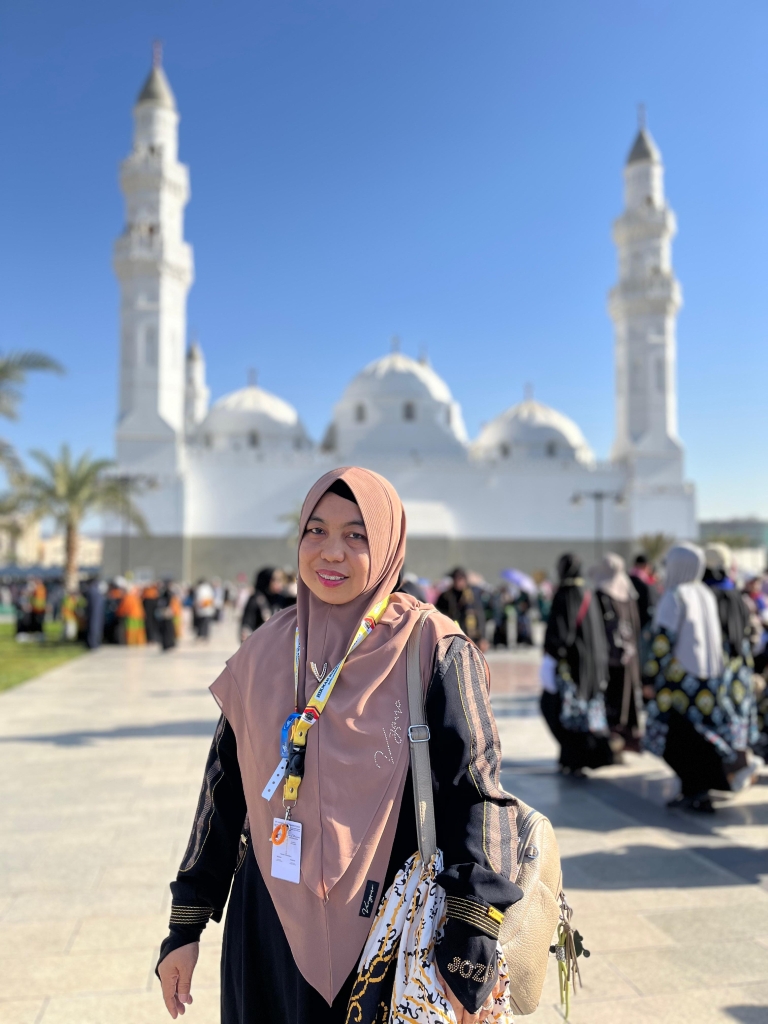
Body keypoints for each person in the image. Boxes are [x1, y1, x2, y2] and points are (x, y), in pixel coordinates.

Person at [156, 468, 523, 1024]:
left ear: (389, 543)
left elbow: (477, 790)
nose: (332, 552)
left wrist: (473, 933)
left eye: (357, 535)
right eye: (316, 531)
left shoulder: (432, 646)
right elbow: (223, 792)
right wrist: (185, 924)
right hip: (269, 929)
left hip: (390, 926)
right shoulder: (264, 651)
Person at [643, 543, 754, 813]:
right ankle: (697, 790)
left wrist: (649, 677)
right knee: (695, 738)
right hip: (707, 680)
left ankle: (695, 788)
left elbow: (663, 641)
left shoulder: (675, 595)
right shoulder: (704, 593)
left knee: (671, 737)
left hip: (678, 681)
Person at [540, 553, 613, 776]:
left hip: (570, 666)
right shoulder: (588, 593)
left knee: (560, 710)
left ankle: (573, 759)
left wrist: (551, 655)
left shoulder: (565, 594)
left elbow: (560, 634)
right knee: (579, 714)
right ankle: (575, 759)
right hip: (591, 665)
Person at [591, 553, 643, 752]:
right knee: (627, 698)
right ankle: (626, 738)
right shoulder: (629, 593)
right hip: (629, 657)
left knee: (611, 701)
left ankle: (614, 743)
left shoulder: (601, 594)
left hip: (609, 659)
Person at [436, 567, 487, 648]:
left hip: (471, 635)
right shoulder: (446, 596)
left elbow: (480, 616)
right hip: (452, 635)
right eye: (456, 579)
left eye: (460, 579)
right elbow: (438, 614)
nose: (458, 582)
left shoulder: (472, 596)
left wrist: (483, 638)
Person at [240, 567, 291, 642]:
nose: (279, 583)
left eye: (280, 580)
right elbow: (248, 621)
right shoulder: (256, 599)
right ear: (266, 580)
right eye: (274, 580)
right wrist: (246, 632)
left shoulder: (282, 598)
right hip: (260, 642)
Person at [155, 581, 179, 652]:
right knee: (167, 629)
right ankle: (168, 644)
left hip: (165, 613)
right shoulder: (165, 593)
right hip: (166, 613)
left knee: (167, 629)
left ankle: (168, 643)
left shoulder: (165, 593)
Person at [84, 577, 105, 650]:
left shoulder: (92, 590)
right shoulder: (95, 591)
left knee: (94, 628)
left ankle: (93, 644)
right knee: (95, 628)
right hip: (96, 613)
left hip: (94, 613)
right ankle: (94, 644)